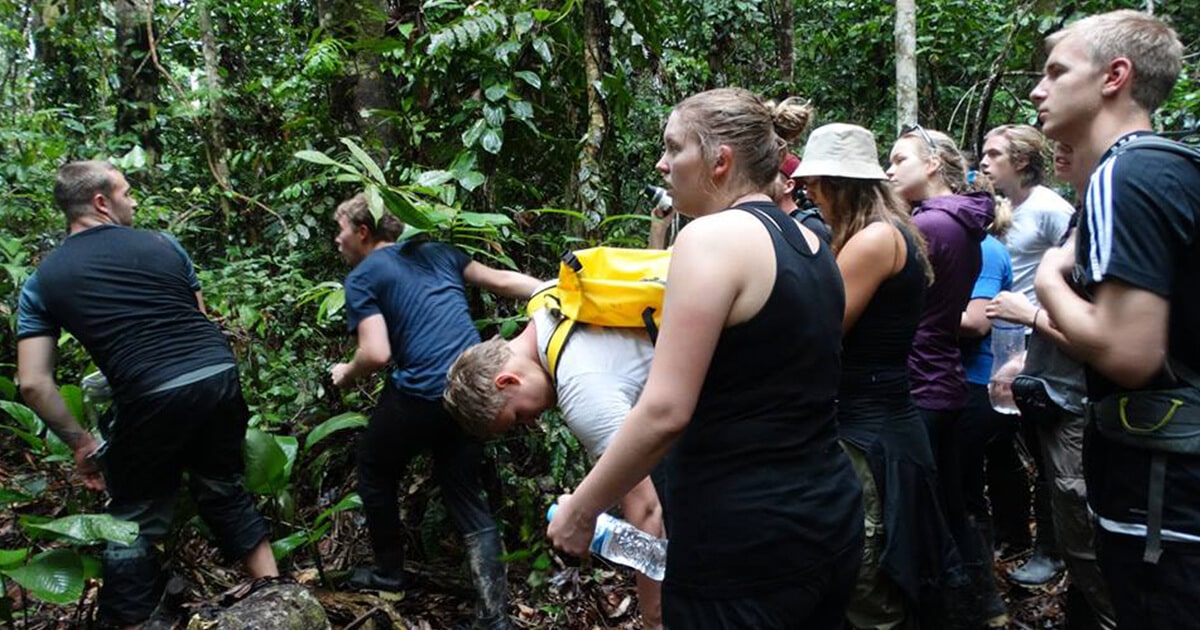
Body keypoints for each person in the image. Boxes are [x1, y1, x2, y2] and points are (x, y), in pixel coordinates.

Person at [547, 89, 863, 629]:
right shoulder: (813, 243)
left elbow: (665, 410)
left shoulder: (711, 239)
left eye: (673, 148)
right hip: (827, 515)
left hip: (744, 543)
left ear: (720, 160)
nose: (661, 163)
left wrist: (581, 510)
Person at [16, 161, 279, 629]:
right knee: (223, 487)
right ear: (101, 202)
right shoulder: (164, 245)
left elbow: (33, 383)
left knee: (132, 517)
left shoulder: (44, 281)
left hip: (151, 391)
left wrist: (81, 443)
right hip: (219, 373)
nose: (134, 201)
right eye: (127, 191)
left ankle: (134, 621)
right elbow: (195, 320)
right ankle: (278, 593)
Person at [1029, 10, 1197, 629]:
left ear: (1114, 77)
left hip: (1166, 499)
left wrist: (1048, 280)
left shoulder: (1125, 173)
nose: (1038, 90)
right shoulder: (1165, 166)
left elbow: (1130, 352)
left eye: (1055, 72)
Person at [329, 193, 539, 630]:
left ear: (363, 232)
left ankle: (389, 576)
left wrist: (345, 374)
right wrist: (552, 290)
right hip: (474, 390)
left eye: (341, 230)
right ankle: (493, 617)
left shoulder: (364, 275)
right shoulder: (436, 251)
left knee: (373, 468)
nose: (337, 239)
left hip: (421, 394)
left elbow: (376, 352)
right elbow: (501, 281)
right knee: (464, 491)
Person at [796, 123, 966, 628]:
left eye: (814, 185)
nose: (809, 194)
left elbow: (820, 333)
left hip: (870, 437)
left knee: (868, 578)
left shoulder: (873, 240)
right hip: (882, 423)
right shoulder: (886, 232)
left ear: (839, 184)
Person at [442, 297, 665, 629]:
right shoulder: (550, 303)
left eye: (517, 416)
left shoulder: (582, 392)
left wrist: (654, 620)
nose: (530, 423)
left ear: (507, 381)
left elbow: (647, 512)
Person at [987, 141, 1118, 629]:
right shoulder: (1080, 215)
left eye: (1073, 142)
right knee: (1060, 497)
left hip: (1079, 396)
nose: (1059, 148)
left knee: (1082, 522)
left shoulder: (1083, 216)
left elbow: (1107, 339)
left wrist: (1031, 314)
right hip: (1050, 381)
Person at [887, 124, 995, 625]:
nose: (890, 169)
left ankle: (941, 610)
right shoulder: (957, 220)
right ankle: (979, 605)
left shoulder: (929, 226)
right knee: (950, 503)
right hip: (943, 376)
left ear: (932, 164)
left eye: (899, 159)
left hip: (919, 381)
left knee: (920, 514)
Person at [981, 124, 1076, 585]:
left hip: (1042, 343)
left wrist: (1036, 324)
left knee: (1046, 448)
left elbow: (1075, 276)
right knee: (1004, 440)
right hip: (1003, 340)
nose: (983, 161)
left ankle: (1053, 550)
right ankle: (1015, 533)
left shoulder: (1051, 210)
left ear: (1021, 161)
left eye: (994, 154)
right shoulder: (1000, 208)